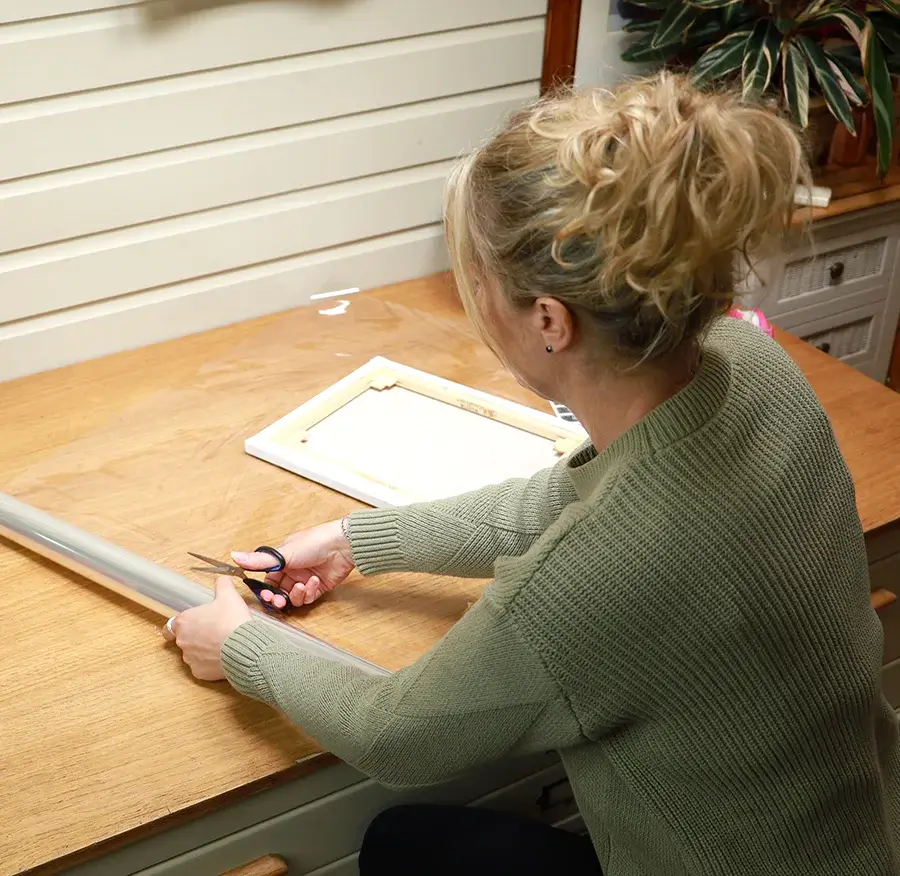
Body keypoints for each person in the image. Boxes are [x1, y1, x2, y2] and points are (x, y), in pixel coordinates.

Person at [168, 71, 900, 874]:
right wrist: (354, 540)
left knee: (398, 843)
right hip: (866, 835)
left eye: (478, 284)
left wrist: (239, 645)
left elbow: (394, 735)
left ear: (550, 319)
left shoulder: (594, 579)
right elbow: (570, 497)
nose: (474, 302)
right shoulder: (753, 365)